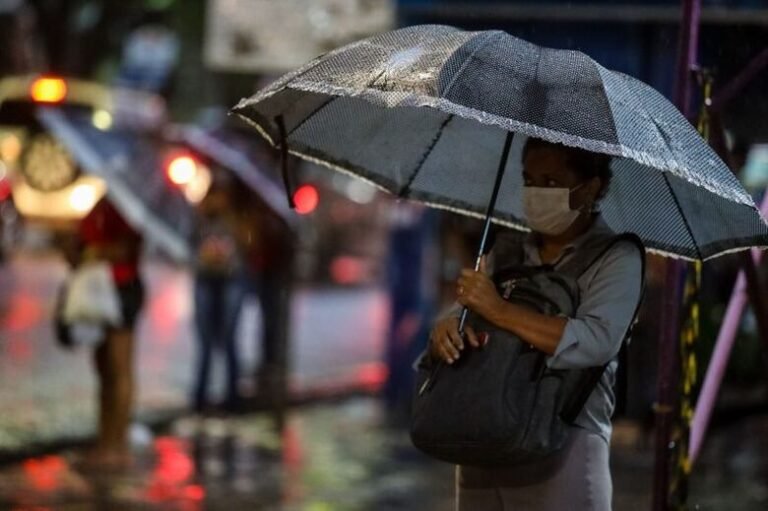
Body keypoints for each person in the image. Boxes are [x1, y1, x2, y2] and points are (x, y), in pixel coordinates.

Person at [428, 138, 644, 510]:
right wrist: (447, 328)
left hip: (564, 446)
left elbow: (596, 340)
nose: (535, 193)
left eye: (550, 182)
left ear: (590, 187)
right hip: (483, 431)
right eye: (529, 180)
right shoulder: (507, 248)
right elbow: (468, 313)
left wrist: (500, 311)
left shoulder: (616, 257)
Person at [78, 197, 144, 468]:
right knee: (104, 369)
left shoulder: (131, 206)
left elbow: (126, 249)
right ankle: (105, 439)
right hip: (99, 291)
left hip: (122, 290)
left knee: (119, 369)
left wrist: (94, 252)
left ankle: (118, 445)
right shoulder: (101, 203)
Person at [191, 179, 249, 414]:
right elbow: (186, 245)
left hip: (230, 280)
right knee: (205, 341)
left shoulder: (237, 219)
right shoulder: (199, 219)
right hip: (205, 279)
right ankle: (200, 396)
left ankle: (233, 396)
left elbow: (246, 244)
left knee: (229, 339)